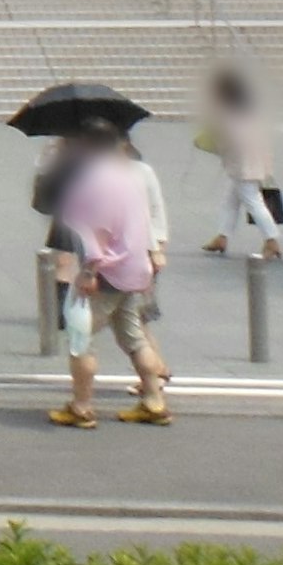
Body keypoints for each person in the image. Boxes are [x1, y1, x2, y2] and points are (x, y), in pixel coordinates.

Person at [46, 115, 170, 428]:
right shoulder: (130, 174)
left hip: (104, 273)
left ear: (85, 145)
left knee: (80, 339)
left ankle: (81, 406)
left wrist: (88, 270)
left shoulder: (94, 180)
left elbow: (96, 231)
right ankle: (154, 400)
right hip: (134, 270)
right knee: (135, 338)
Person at [200, 64, 283, 259]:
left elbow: (230, 138)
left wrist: (215, 137)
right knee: (231, 199)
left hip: (242, 163)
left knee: (252, 200)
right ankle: (222, 236)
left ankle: (271, 240)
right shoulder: (248, 106)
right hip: (253, 159)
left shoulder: (227, 112)